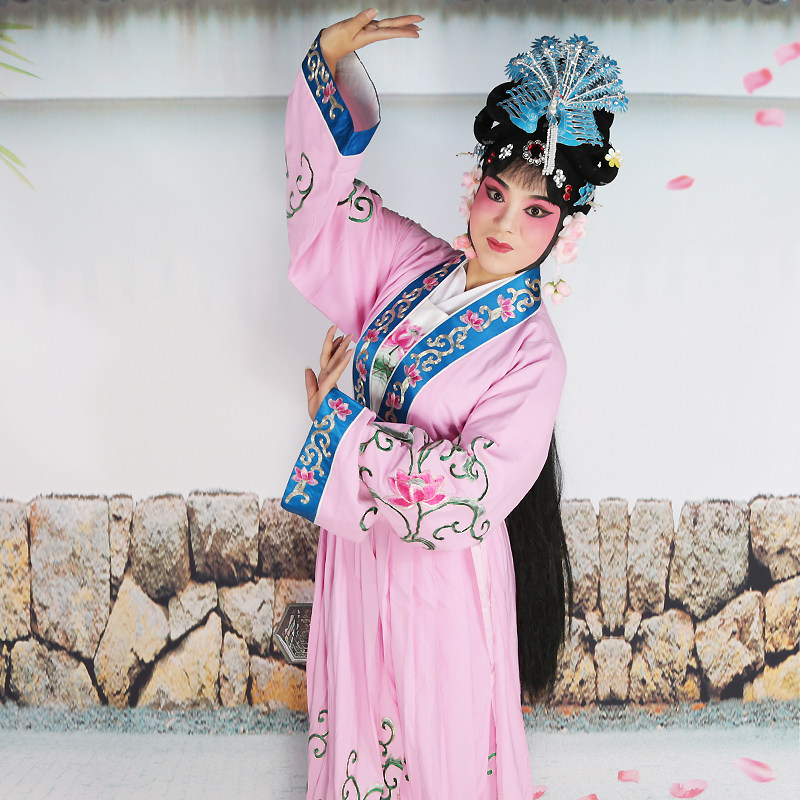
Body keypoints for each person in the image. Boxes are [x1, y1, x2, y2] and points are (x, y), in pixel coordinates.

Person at [280, 9, 627, 799]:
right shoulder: (412, 264)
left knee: (434, 760)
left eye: (536, 211)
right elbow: (324, 221)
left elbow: (469, 495)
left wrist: (343, 429)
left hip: (439, 589)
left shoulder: (535, 355)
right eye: (498, 193)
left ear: (565, 227)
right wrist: (329, 66)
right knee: (356, 750)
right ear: (475, 186)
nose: (505, 223)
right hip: (356, 560)